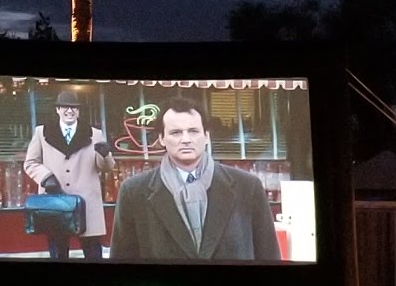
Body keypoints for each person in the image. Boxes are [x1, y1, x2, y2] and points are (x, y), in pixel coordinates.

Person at [109, 96, 280, 263]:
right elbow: (122, 261)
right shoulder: (134, 192)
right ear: (161, 139)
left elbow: (268, 256)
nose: (186, 139)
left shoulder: (248, 187)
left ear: (206, 136)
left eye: (193, 131)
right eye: (176, 133)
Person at [22, 88, 114, 261]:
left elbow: (106, 168)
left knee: (93, 255)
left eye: (74, 107)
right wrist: (45, 177)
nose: (69, 111)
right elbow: (30, 163)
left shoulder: (94, 134)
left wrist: (105, 155)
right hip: (55, 203)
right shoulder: (42, 133)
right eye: (65, 107)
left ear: (78, 111)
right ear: (58, 110)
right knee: (58, 254)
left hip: (87, 205)